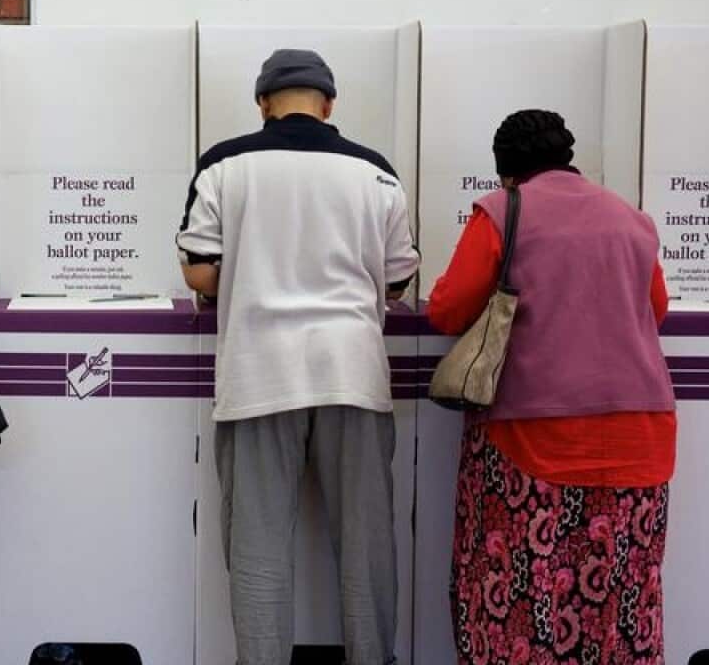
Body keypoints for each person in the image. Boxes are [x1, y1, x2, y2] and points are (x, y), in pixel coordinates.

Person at [177, 49, 419, 665]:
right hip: (353, 372)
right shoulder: (376, 173)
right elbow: (398, 279)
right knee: (367, 549)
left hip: (260, 373)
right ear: (328, 104)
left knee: (257, 551)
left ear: (262, 103)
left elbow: (201, 272)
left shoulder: (224, 166)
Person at [428, 110, 677, 665]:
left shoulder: (502, 211)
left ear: (507, 172)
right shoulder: (632, 220)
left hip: (534, 442)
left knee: (524, 595)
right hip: (641, 439)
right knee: (621, 599)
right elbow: (653, 310)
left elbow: (447, 309)